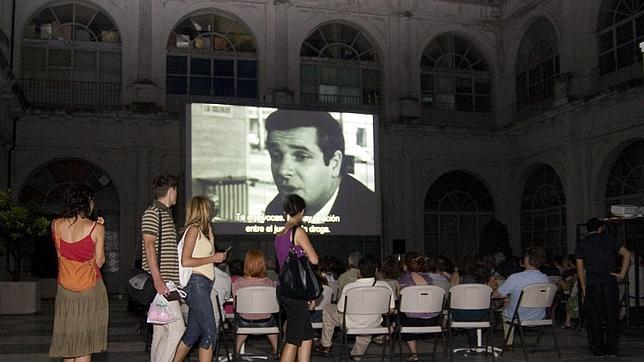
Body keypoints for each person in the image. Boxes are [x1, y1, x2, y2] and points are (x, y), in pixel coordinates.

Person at [263, 110, 376, 234]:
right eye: (276, 155)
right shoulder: (275, 210)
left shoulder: (371, 214)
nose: (283, 171)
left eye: (302, 156)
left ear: (335, 164)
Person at [49, 184, 108, 361]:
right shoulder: (96, 228)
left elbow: (60, 255)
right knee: (84, 345)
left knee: (69, 343)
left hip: (65, 288)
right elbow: (100, 261)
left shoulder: (55, 225)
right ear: (87, 202)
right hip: (89, 289)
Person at [173, 196, 227, 362]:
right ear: (202, 209)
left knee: (192, 334)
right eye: (209, 208)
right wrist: (213, 259)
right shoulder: (193, 230)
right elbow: (186, 260)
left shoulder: (202, 230)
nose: (211, 211)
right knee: (210, 332)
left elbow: (207, 255)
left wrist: (211, 237)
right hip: (196, 284)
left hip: (204, 285)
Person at [140, 174, 184, 362]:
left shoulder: (164, 214)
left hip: (166, 282)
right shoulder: (153, 213)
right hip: (163, 283)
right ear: (171, 190)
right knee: (177, 328)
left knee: (161, 332)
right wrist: (158, 280)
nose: (177, 195)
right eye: (176, 190)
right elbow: (149, 245)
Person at [316, 256, 395, 359]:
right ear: (376, 270)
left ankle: (326, 344)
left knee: (328, 309)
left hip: (351, 323)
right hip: (373, 323)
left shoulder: (350, 287)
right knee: (366, 324)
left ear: (359, 271)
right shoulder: (385, 286)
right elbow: (391, 310)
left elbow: (340, 310)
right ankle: (356, 356)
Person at [575, 218, 630, 356]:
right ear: (600, 228)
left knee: (594, 317)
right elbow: (627, 254)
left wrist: (583, 287)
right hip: (609, 282)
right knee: (612, 317)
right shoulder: (609, 239)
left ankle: (597, 348)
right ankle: (611, 348)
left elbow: (580, 269)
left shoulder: (582, 243)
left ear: (588, 229)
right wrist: (621, 274)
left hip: (593, 283)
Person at [274, 194, 319, 362]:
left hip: (285, 289)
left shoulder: (279, 235)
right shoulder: (298, 232)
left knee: (305, 333)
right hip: (295, 291)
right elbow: (314, 259)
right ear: (302, 212)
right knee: (293, 338)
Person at [492, 246, 550, 348]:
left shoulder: (515, 278)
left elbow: (496, 294)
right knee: (510, 300)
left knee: (505, 304)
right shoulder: (545, 278)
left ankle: (508, 343)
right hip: (539, 316)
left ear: (526, 260)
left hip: (518, 316)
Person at [232, 249, 279, 356]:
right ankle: (276, 350)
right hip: (266, 322)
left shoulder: (238, 283)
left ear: (246, 265)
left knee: (242, 324)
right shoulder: (269, 283)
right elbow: (274, 306)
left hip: (245, 321)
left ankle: (236, 351)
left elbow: (236, 306)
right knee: (272, 322)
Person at [397, 252, 440, 360]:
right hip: (432, 321)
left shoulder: (402, 281)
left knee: (402, 310)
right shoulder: (430, 280)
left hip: (410, 323)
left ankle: (414, 353)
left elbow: (400, 301)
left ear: (405, 265)